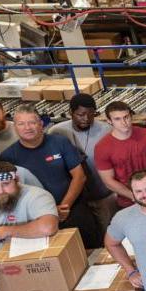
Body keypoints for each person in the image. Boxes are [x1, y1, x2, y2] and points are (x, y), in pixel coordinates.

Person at [2, 105, 96, 243]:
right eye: (21, 124)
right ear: (14, 127)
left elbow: (79, 176)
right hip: (37, 217)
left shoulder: (59, 142)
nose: (27, 128)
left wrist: (65, 206)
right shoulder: (8, 156)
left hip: (73, 208)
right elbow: (13, 191)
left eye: (32, 123)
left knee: (91, 247)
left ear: (41, 124)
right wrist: (49, 212)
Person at [51, 92, 118, 229]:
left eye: (91, 114)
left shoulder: (107, 130)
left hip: (104, 196)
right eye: (80, 115)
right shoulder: (57, 132)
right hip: (78, 200)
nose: (86, 119)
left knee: (109, 230)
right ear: (71, 112)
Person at [0, 163, 59, 252]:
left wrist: (7, 231)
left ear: (17, 180)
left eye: (6, 184)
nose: (1, 191)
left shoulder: (37, 195)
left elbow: (48, 227)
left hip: (41, 253)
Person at [95, 101, 146, 208]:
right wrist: (134, 196)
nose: (124, 122)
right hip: (127, 202)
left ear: (131, 116)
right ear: (109, 121)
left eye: (126, 117)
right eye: (117, 119)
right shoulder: (102, 147)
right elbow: (108, 181)